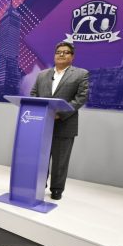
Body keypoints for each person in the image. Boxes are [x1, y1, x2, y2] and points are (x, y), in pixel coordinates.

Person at [30, 41, 89, 200]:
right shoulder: (42, 74)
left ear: (72, 56)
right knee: (40, 157)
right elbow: (33, 94)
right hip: (42, 123)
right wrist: (41, 113)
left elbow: (81, 98)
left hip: (65, 123)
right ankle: (39, 184)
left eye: (66, 52)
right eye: (58, 52)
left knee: (60, 160)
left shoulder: (81, 74)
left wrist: (60, 114)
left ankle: (57, 189)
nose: (61, 54)